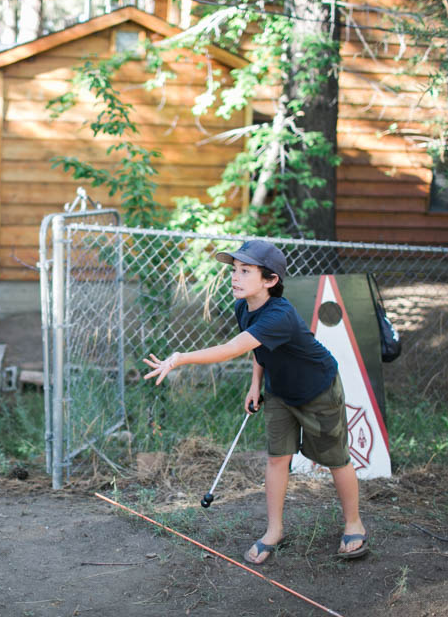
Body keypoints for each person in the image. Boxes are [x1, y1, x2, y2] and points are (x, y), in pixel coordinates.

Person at [142, 240, 368, 564]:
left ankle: (354, 523)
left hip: (317, 390)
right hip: (279, 392)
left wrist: (179, 357)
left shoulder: (280, 315)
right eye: (234, 270)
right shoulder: (243, 306)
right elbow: (258, 350)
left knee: (335, 458)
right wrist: (255, 384)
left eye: (245, 271)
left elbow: (235, 346)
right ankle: (274, 530)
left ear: (270, 280)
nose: (235, 277)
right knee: (277, 458)